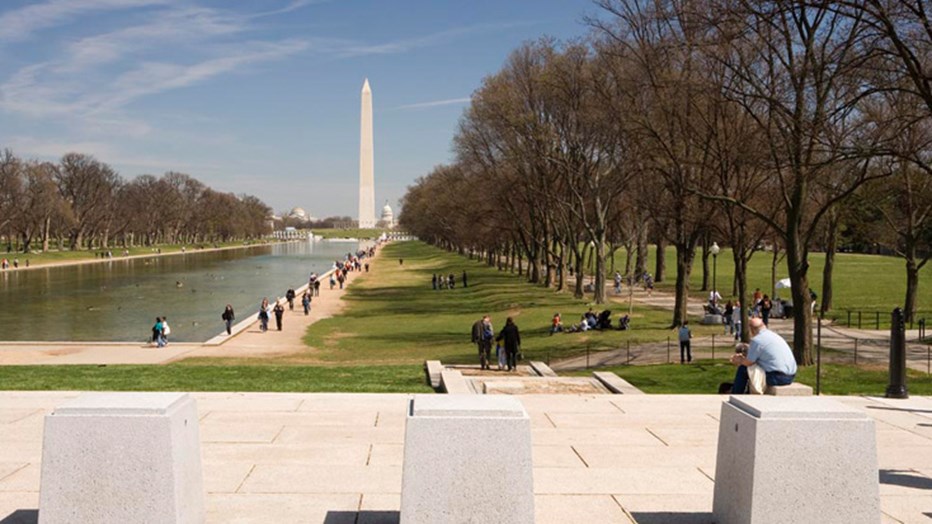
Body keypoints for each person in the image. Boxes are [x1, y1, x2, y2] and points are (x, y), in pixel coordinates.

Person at [729, 317, 797, 394]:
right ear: (763, 325)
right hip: (790, 376)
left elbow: (748, 363)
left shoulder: (757, 340)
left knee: (743, 369)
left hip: (777, 377)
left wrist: (739, 360)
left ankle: (736, 394)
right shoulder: (774, 335)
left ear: (752, 329)